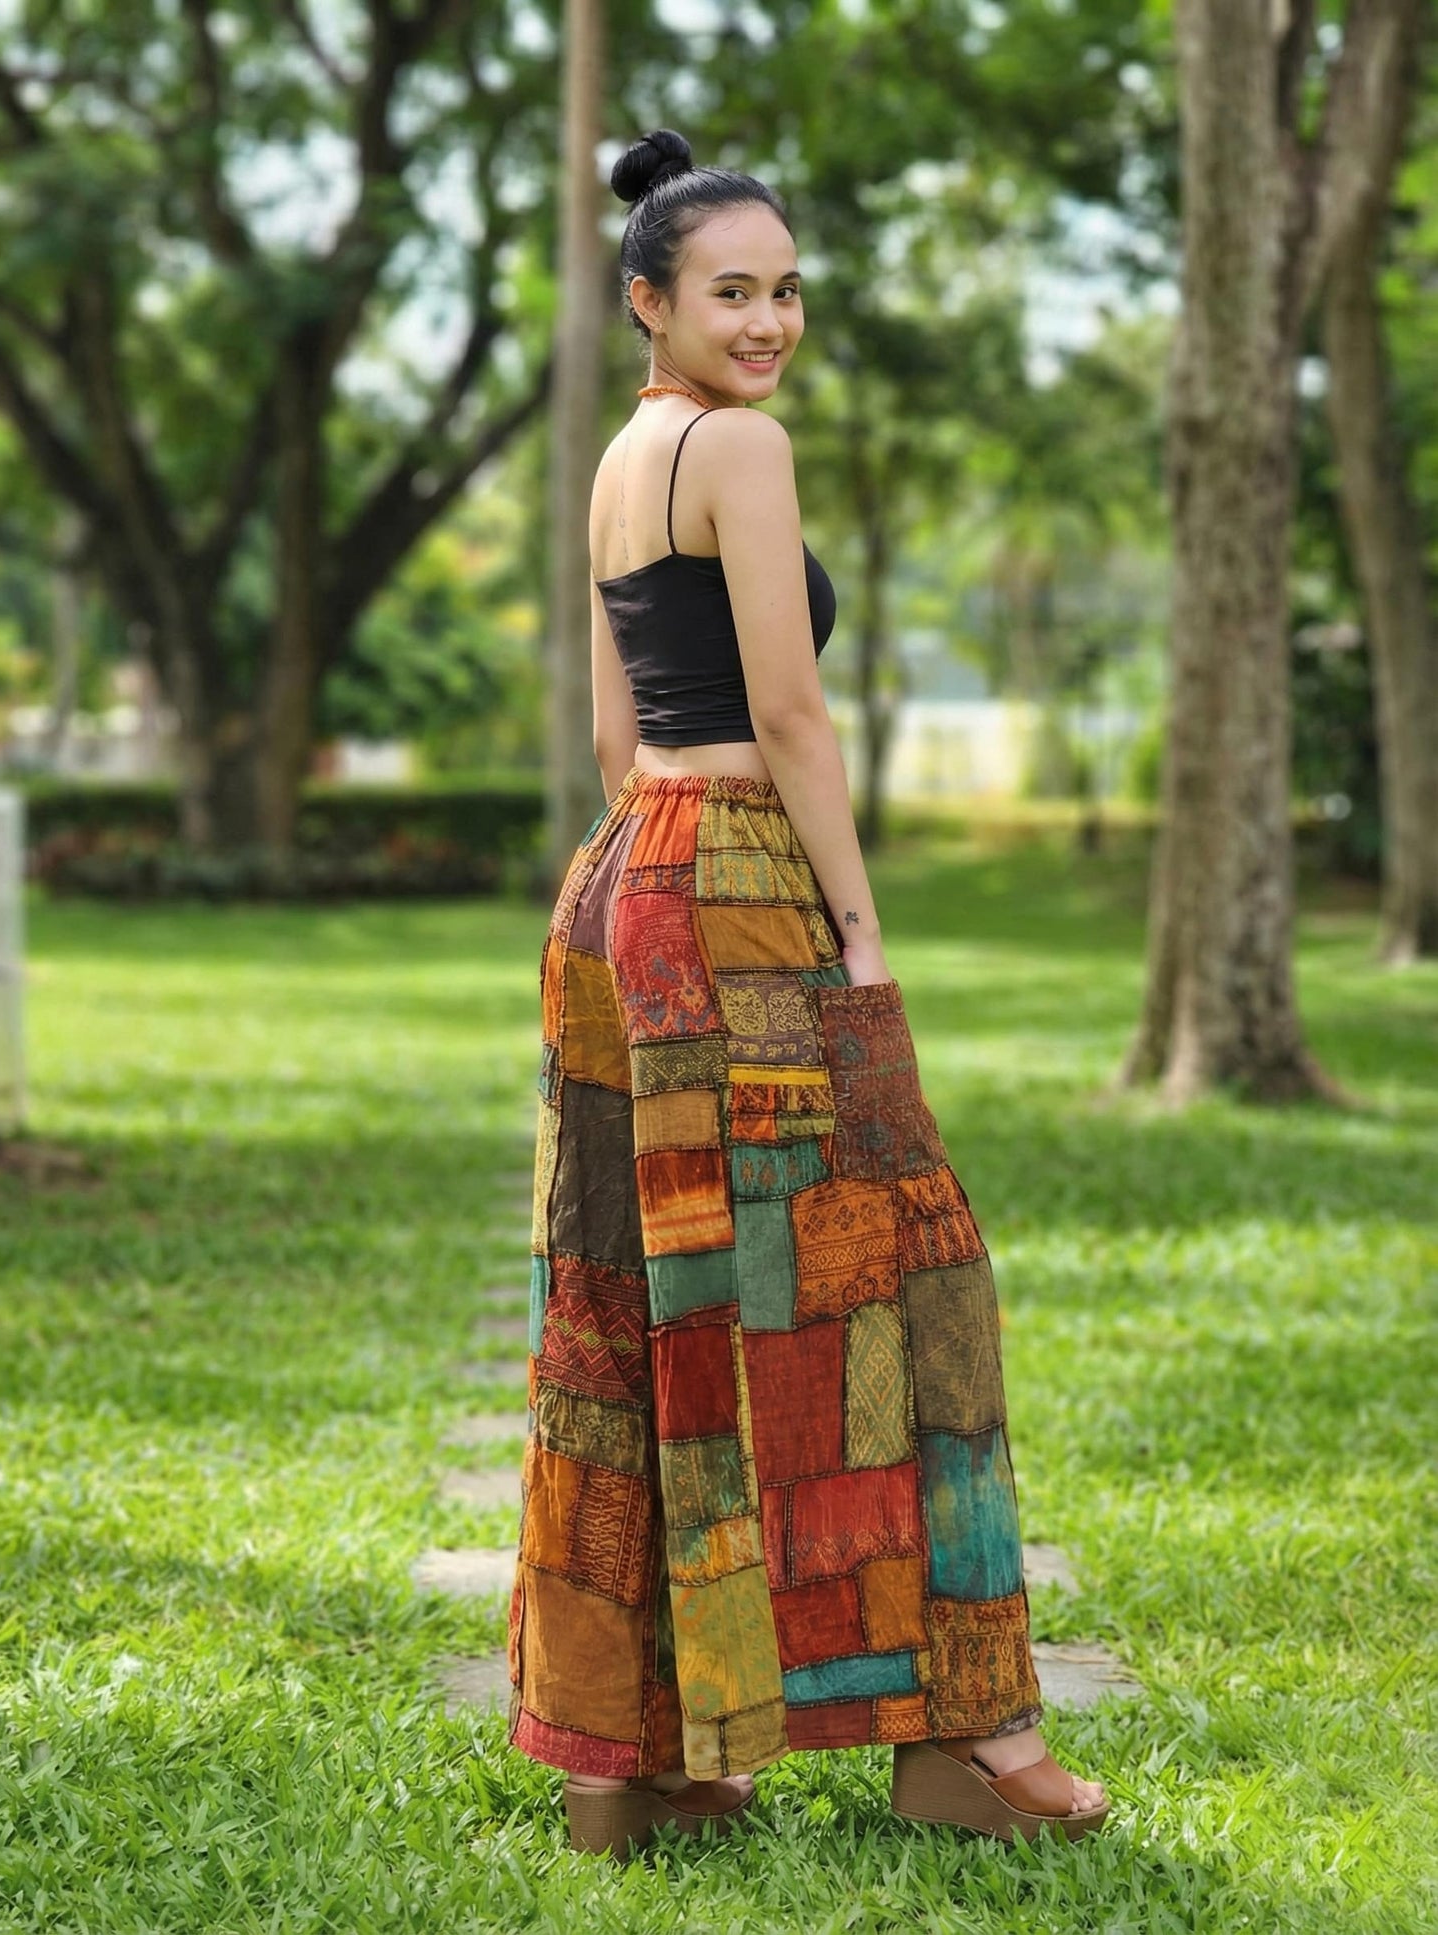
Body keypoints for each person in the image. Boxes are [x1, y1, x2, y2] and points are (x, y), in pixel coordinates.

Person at [505, 126, 1110, 1859]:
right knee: (908, 1287)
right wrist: (859, 928)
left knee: (654, 1299)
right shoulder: (739, 452)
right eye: (729, 292)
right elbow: (789, 714)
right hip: (744, 888)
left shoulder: (625, 454)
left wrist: (642, 887)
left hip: (622, 887)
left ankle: (659, 1761)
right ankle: (971, 1738)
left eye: (784, 293)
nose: (766, 323)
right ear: (649, 301)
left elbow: (620, 733)